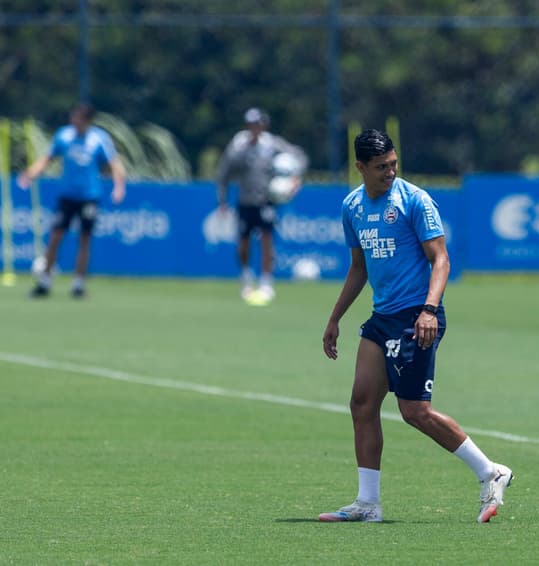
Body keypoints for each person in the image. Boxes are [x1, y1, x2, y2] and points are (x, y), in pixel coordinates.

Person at [319, 129, 513, 524]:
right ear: (360, 168)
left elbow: (440, 259)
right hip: (382, 318)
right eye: (380, 168)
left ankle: (490, 472)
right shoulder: (352, 207)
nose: (390, 172)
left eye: (393, 164)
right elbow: (359, 268)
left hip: (416, 317)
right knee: (362, 403)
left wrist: (429, 309)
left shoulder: (414, 200)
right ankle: (368, 504)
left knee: (414, 411)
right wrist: (335, 317)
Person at [17, 103, 125, 298]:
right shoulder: (64, 136)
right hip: (67, 196)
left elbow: (114, 164)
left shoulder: (99, 139)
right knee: (55, 237)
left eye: (79, 119)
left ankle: (78, 284)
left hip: (89, 197)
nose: (74, 122)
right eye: (73, 118)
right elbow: (47, 158)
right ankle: (44, 282)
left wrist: (119, 187)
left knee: (84, 239)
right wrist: (30, 173)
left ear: (88, 121)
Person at [215, 107, 308, 304]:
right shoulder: (238, 145)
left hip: (266, 201)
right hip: (245, 201)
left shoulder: (272, 144)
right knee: (243, 243)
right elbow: (224, 172)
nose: (254, 128)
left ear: (263, 125)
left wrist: (295, 180)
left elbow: (298, 156)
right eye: (251, 124)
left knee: (267, 241)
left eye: (258, 124)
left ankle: (266, 283)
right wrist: (222, 200)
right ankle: (246, 280)